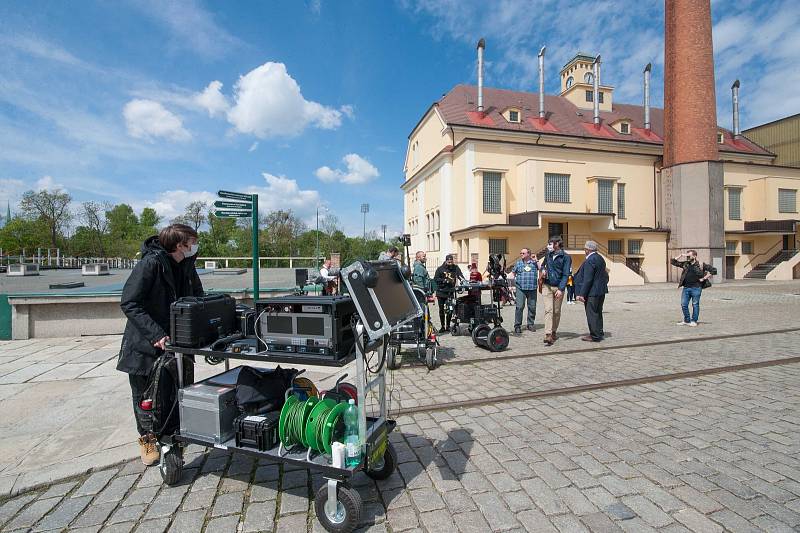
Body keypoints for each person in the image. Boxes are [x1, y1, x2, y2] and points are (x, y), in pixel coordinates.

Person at [117, 224, 203, 466]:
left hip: (177, 343)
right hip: (144, 343)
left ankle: (173, 435)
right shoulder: (150, 263)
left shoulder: (187, 265)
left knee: (175, 390)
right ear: (180, 245)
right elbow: (129, 302)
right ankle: (147, 439)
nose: (195, 247)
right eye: (192, 242)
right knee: (144, 395)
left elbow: (198, 297)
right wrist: (156, 334)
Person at [540, 235, 572, 346]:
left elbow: (566, 274)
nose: (548, 246)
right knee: (548, 309)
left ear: (557, 244)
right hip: (547, 286)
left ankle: (554, 331)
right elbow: (543, 265)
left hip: (558, 287)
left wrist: (561, 288)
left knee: (556, 311)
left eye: (550, 244)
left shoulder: (566, 257)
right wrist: (543, 270)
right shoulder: (548, 254)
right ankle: (548, 334)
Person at [575, 241, 609, 342]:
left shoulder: (590, 260)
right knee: (598, 312)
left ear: (588, 249)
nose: (584, 250)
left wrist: (582, 293)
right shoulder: (600, 258)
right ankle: (599, 332)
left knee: (592, 313)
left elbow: (588, 279)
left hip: (592, 292)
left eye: (585, 249)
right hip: (601, 291)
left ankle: (594, 335)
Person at [670, 250, 714, 326]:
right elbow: (673, 261)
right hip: (686, 288)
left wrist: (704, 278)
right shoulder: (686, 264)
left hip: (696, 288)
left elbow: (714, 270)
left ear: (694, 256)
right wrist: (681, 255)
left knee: (695, 304)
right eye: (687, 256)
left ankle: (694, 321)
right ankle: (687, 320)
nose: (687, 257)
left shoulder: (700, 264)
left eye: (689, 256)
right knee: (683, 304)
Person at [510, 248, 538, 335]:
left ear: (528, 254)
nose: (521, 254)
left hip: (532, 288)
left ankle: (530, 324)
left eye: (523, 253)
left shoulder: (534, 263)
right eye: (521, 253)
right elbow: (513, 274)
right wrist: (510, 286)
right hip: (520, 288)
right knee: (519, 307)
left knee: (532, 307)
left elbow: (541, 269)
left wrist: (536, 260)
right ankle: (517, 325)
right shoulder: (518, 263)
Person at [433, 254, 464, 333]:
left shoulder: (455, 268)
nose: (450, 263)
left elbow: (460, 275)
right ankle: (442, 326)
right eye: (449, 261)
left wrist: (463, 281)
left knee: (450, 309)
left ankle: (448, 326)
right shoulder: (440, 269)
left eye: (451, 261)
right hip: (441, 292)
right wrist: (444, 280)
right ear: (446, 261)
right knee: (441, 310)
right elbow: (435, 279)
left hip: (450, 292)